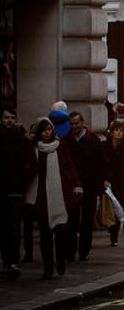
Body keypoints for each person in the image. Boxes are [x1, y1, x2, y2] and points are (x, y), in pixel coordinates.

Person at [26, 119, 82, 278]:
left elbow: (70, 167)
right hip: (41, 197)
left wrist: (76, 185)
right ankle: (48, 269)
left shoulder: (61, 146)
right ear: (39, 132)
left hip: (59, 195)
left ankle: (60, 259)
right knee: (45, 237)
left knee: (62, 232)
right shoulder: (34, 148)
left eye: (49, 129)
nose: (47, 133)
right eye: (44, 130)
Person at [65, 111, 108, 261]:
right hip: (72, 186)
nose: (74, 126)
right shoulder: (67, 140)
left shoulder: (93, 140)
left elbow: (101, 163)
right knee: (72, 220)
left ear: (82, 122)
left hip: (90, 186)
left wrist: (102, 182)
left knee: (87, 221)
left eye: (77, 123)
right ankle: (70, 251)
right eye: (72, 124)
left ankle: (84, 251)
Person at [2, 108, 33, 278]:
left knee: (14, 227)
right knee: (4, 227)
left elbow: (31, 164)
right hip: (2, 190)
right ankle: (6, 259)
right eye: (6, 117)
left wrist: (22, 181)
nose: (9, 121)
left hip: (16, 191)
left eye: (12, 118)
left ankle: (13, 261)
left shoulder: (22, 140)